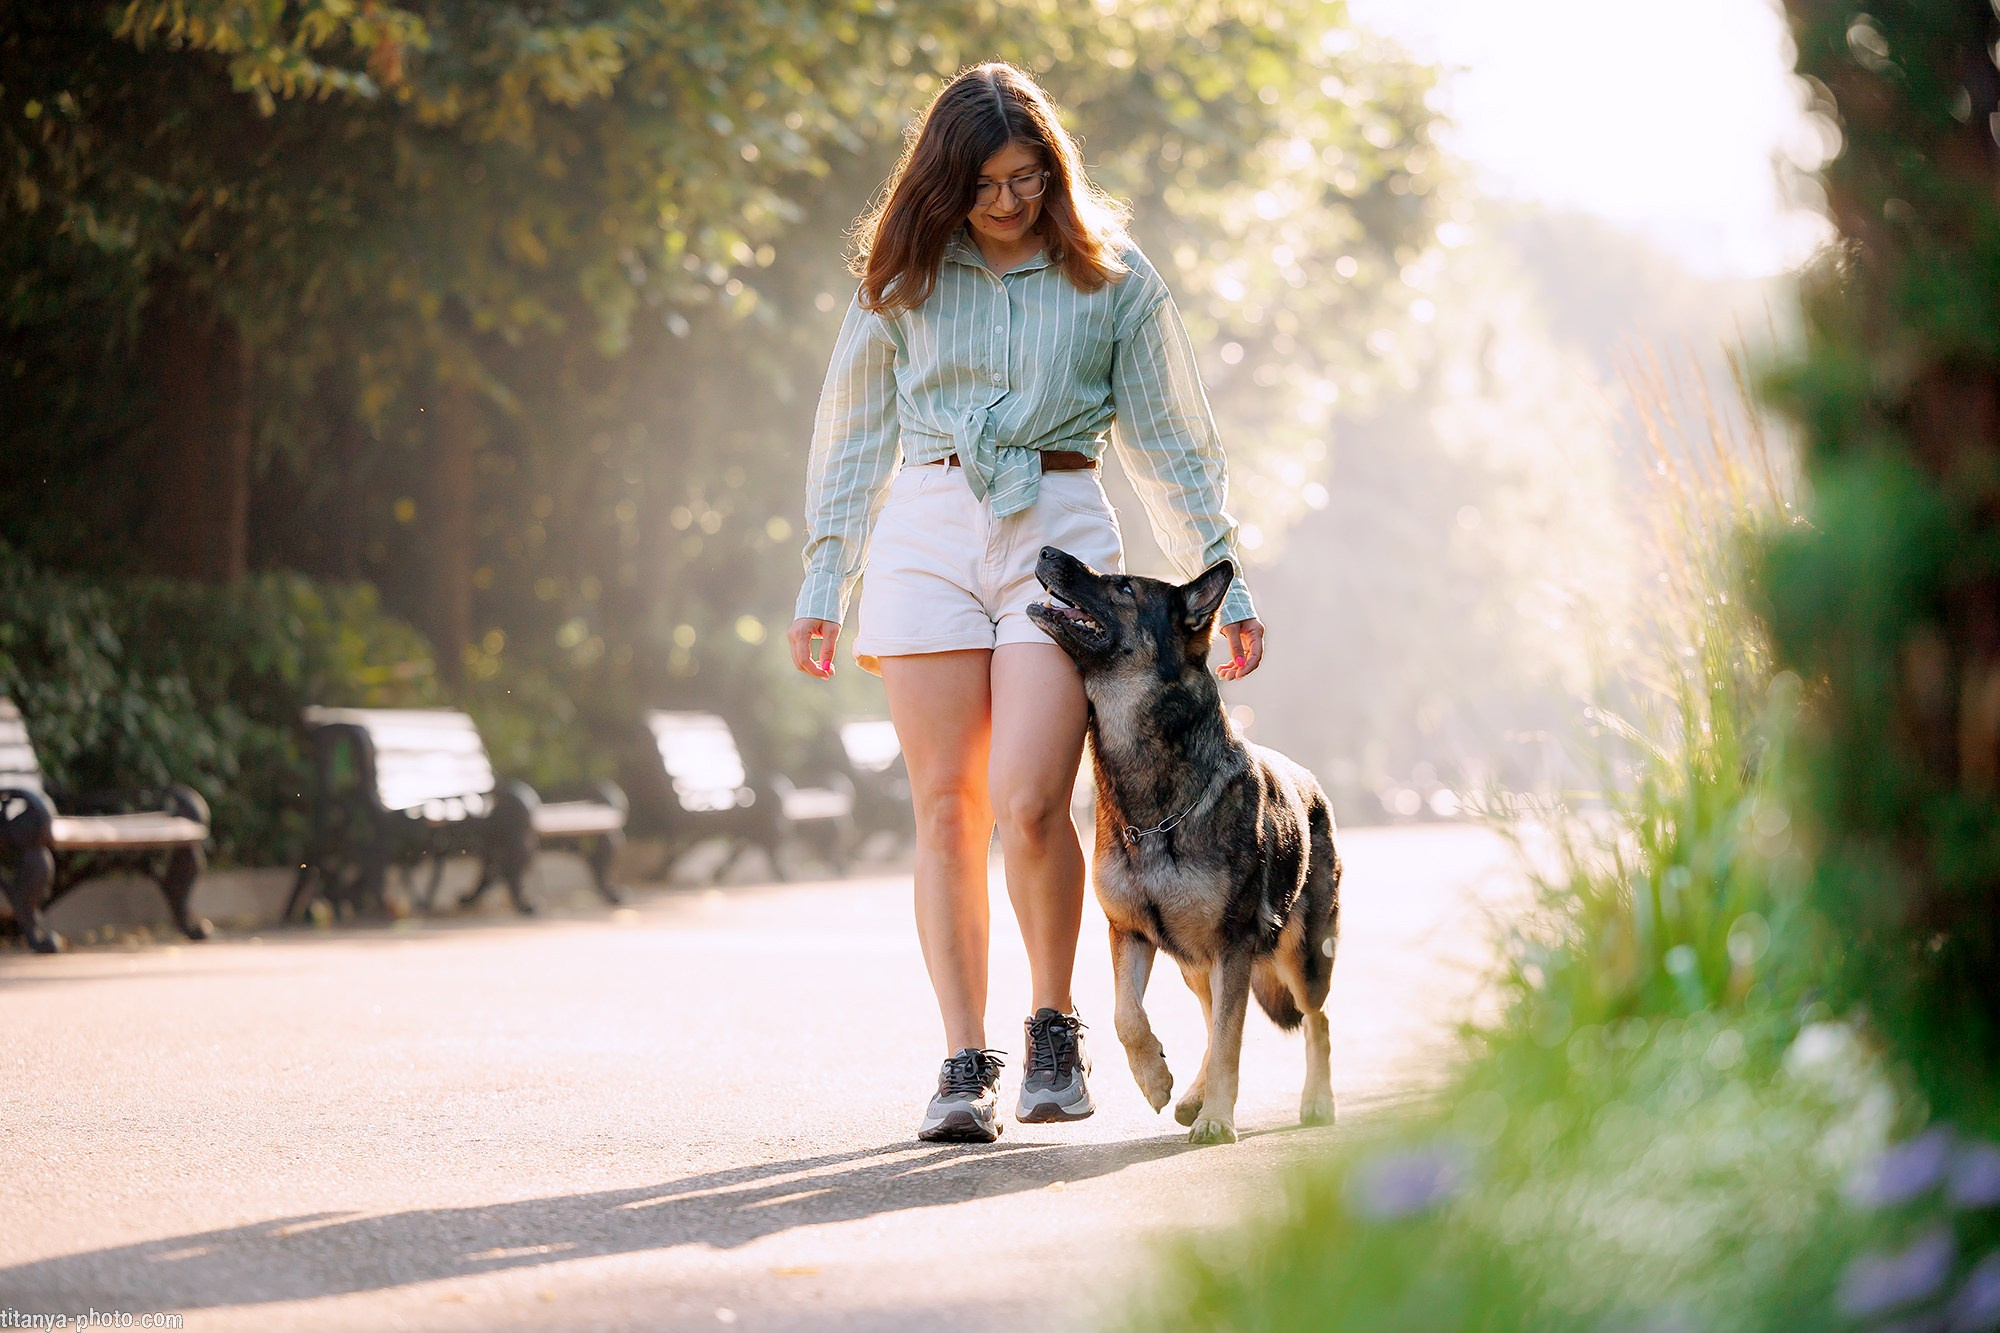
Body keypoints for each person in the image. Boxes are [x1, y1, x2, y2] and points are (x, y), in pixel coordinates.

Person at [787, 61, 1265, 1143]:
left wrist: (1223, 582)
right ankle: (963, 1060)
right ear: (941, 182)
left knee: (1029, 801)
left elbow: (1174, 450)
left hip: (1060, 541)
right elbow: (853, 433)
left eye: (1026, 178)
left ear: (1054, 169)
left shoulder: (1114, 277)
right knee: (945, 809)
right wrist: (827, 577)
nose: (1007, 203)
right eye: (985, 184)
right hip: (926, 526)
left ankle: (1054, 1029)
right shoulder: (902, 275)